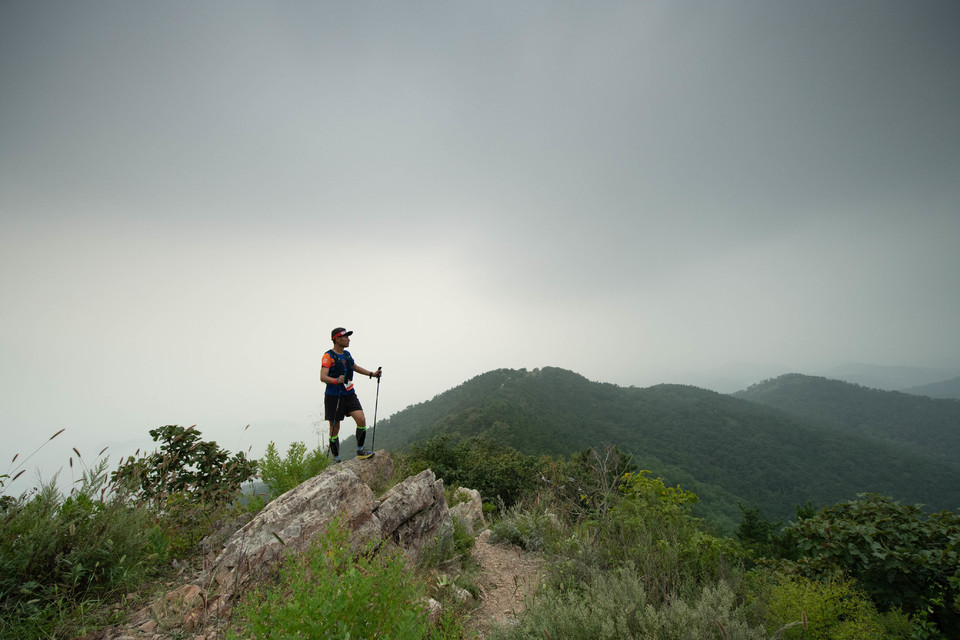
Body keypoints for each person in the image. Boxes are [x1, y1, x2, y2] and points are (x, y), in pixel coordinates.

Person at [319, 327, 381, 461]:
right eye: (345, 337)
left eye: (348, 336)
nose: (348, 339)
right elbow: (323, 377)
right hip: (334, 396)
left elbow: (354, 367)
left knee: (361, 419)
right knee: (334, 428)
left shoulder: (347, 354)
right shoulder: (328, 356)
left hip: (349, 393)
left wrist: (372, 374)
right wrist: (335, 380)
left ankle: (360, 450)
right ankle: (336, 458)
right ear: (336, 339)